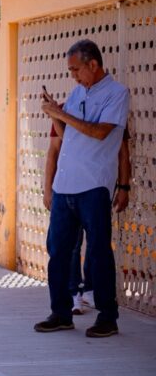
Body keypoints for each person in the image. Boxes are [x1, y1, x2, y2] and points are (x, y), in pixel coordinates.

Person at [35, 39, 128, 338]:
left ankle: (107, 318)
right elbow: (70, 135)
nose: (73, 76)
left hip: (94, 185)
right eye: (70, 70)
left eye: (76, 69)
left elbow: (100, 132)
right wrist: (55, 115)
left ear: (93, 64)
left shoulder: (117, 93)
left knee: (99, 254)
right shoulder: (76, 93)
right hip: (65, 186)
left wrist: (61, 114)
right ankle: (60, 313)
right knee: (58, 252)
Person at [44, 124, 131, 315]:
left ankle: (94, 295)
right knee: (67, 247)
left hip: (95, 189)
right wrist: (48, 189)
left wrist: (124, 187)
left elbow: (123, 152)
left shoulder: (110, 111)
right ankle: (72, 294)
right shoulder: (64, 110)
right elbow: (54, 151)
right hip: (66, 190)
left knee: (97, 248)